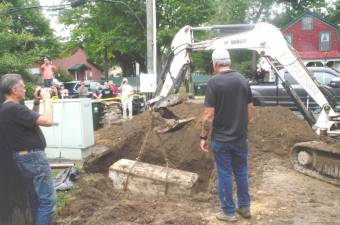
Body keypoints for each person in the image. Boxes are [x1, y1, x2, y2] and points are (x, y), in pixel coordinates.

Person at [199, 49, 253, 222]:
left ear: (215, 63)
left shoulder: (214, 83)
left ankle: (228, 212)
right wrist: (243, 128)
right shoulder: (243, 80)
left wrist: (203, 137)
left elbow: (208, 116)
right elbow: (249, 109)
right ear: (228, 62)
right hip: (240, 138)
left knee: (224, 174)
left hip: (221, 139)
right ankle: (244, 207)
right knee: (242, 172)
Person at [0, 73, 56, 225]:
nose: (25, 90)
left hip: (25, 158)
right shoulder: (13, 108)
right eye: (23, 87)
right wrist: (46, 99)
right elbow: (48, 121)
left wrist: (37, 103)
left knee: (37, 198)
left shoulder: (8, 109)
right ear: (14, 90)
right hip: (33, 158)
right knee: (48, 201)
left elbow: (32, 120)